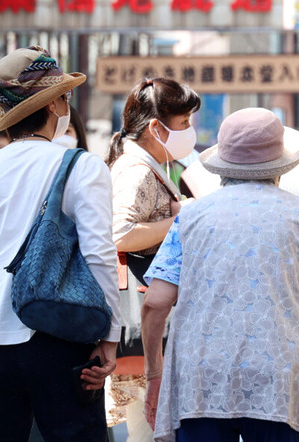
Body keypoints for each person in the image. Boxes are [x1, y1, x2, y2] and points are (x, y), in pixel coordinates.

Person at [142, 108, 299, 442]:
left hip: (200, 377)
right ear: (279, 167)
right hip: (280, 376)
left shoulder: (190, 218)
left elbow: (155, 302)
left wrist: (154, 374)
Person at [0, 46, 122, 442]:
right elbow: (100, 254)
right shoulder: (83, 167)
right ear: (53, 106)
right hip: (62, 337)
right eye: (64, 97)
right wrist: (110, 336)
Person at [105, 77, 200, 434]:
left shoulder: (149, 164)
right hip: (145, 316)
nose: (189, 131)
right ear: (157, 128)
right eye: (184, 124)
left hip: (151, 317)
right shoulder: (137, 170)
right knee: (149, 429)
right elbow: (120, 233)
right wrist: (181, 220)